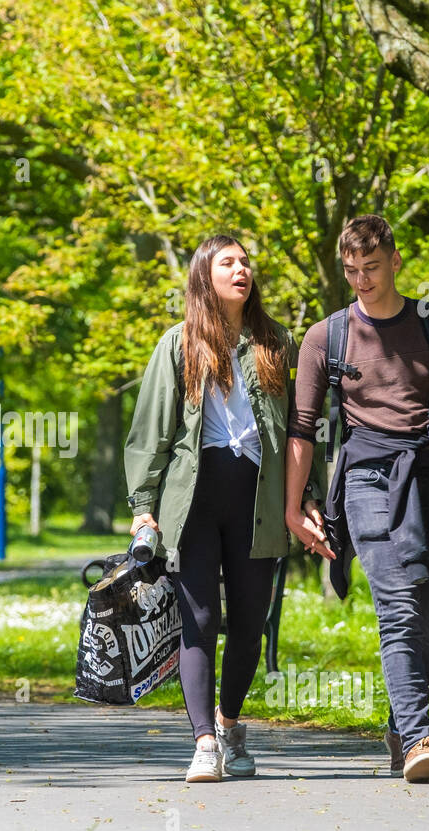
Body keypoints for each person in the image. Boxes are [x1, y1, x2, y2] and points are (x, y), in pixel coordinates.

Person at [284, 215, 429, 783]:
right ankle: (417, 738)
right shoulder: (326, 337)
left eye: (372, 267)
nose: (361, 279)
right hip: (366, 478)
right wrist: (294, 508)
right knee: (398, 606)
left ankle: (398, 723)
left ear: (396, 261)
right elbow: (302, 429)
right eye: (351, 269)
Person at [124, 235, 323, 783]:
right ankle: (204, 743)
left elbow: (303, 430)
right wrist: (144, 507)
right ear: (204, 277)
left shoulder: (277, 342)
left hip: (258, 497)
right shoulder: (179, 343)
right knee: (201, 618)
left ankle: (230, 723)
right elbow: (150, 431)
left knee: (250, 622)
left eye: (245, 261)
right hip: (194, 497)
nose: (241, 270)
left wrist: (306, 497)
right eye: (227, 263)